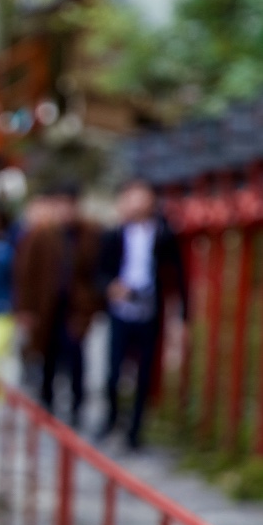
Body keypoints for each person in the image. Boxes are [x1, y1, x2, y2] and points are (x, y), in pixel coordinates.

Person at [97, 178, 187, 449]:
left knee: (145, 374)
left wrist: (184, 317)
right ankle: (112, 419)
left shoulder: (164, 234)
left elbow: (180, 276)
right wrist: (112, 287)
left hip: (150, 310)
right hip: (120, 309)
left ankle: (135, 432)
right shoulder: (114, 234)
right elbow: (100, 272)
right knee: (114, 371)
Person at [13, 185, 103, 425]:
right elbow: (26, 274)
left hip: (75, 308)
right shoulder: (42, 235)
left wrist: (91, 304)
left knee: (75, 358)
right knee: (48, 357)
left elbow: (96, 272)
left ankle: (76, 408)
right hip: (48, 307)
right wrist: (26, 308)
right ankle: (47, 404)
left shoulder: (89, 234)